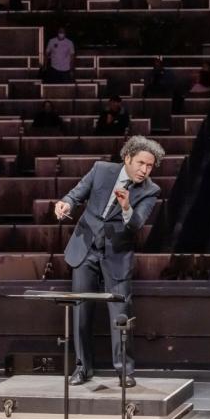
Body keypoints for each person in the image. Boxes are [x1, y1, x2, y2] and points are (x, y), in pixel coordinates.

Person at [54, 136, 165, 387]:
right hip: (86, 247)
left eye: (150, 166)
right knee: (81, 310)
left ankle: (124, 371)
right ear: (127, 158)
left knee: (121, 315)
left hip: (116, 254)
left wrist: (126, 207)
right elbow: (76, 194)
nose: (144, 170)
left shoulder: (150, 190)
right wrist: (65, 203)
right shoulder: (101, 170)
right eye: (140, 163)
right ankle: (82, 367)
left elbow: (136, 226)